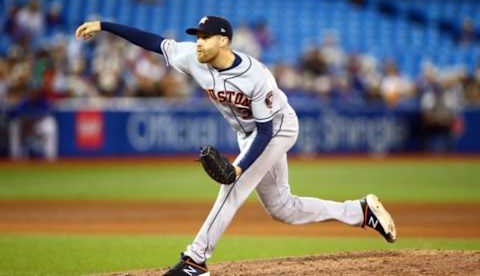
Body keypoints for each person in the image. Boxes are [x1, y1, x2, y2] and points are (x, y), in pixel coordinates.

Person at [75, 16, 397, 276]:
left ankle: (194, 261)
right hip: (248, 135)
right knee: (283, 208)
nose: (198, 42)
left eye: (205, 36)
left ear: (223, 40)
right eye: (197, 36)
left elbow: (267, 130)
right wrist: (105, 26)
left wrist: (238, 168)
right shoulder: (192, 57)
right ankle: (360, 212)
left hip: (277, 128)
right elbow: (152, 41)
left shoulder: (256, 76)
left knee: (233, 186)